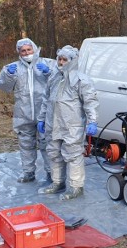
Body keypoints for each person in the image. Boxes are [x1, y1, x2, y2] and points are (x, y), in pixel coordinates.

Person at [37, 45, 98, 200]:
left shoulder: (81, 80)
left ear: (72, 61)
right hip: (53, 123)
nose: (61, 62)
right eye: (59, 59)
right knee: (54, 153)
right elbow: (46, 100)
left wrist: (92, 121)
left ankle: (76, 187)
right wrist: (41, 118)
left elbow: (90, 102)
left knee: (73, 155)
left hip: (72, 125)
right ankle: (58, 183)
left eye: (65, 59)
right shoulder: (53, 77)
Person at [0, 38, 56, 183]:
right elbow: (4, 87)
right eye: (23, 51)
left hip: (45, 113)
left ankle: (51, 173)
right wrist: (9, 76)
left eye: (29, 50)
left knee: (47, 144)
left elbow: (60, 84)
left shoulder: (49, 63)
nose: (27, 53)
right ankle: (28, 172)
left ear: (34, 49)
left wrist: (49, 73)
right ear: (19, 52)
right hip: (23, 113)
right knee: (26, 144)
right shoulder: (12, 68)